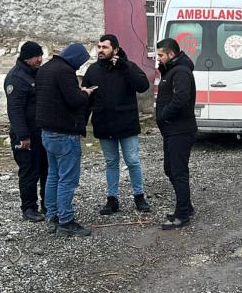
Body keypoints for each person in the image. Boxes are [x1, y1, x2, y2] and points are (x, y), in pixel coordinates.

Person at [82, 34, 151, 215]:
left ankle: (139, 196)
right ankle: (112, 199)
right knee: (111, 162)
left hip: (126, 124)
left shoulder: (128, 67)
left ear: (116, 49)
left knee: (133, 161)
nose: (100, 50)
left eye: (104, 47)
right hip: (104, 124)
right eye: (99, 47)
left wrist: (123, 65)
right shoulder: (93, 71)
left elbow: (142, 85)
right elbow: (86, 99)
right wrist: (81, 124)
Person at [35, 43, 95, 237]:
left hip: (47, 131)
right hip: (64, 133)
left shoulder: (45, 68)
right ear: (76, 58)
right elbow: (73, 100)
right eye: (80, 62)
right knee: (67, 180)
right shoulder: (65, 71)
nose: (79, 67)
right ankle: (66, 221)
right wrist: (85, 93)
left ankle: (52, 216)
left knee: (53, 176)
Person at [155, 38, 197, 230]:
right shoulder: (171, 70)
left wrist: (164, 116)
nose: (158, 59)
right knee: (170, 169)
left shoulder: (180, 72)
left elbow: (181, 99)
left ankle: (182, 214)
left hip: (180, 130)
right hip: (171, 130)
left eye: (161, 55)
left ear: (171, 54)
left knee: (178, 171)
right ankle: (186, 206)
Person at [4, 41, 48, 222]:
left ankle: (48, 203)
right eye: (37, 56)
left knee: (46, 169)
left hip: (40, 132)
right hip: (26, 135)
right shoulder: (16, 78)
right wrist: (23, 136)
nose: (40, 59)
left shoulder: (34, 73)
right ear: (28, 57)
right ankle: (29, 208)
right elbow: (15, 111)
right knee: (29, 171)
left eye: (40, 55)